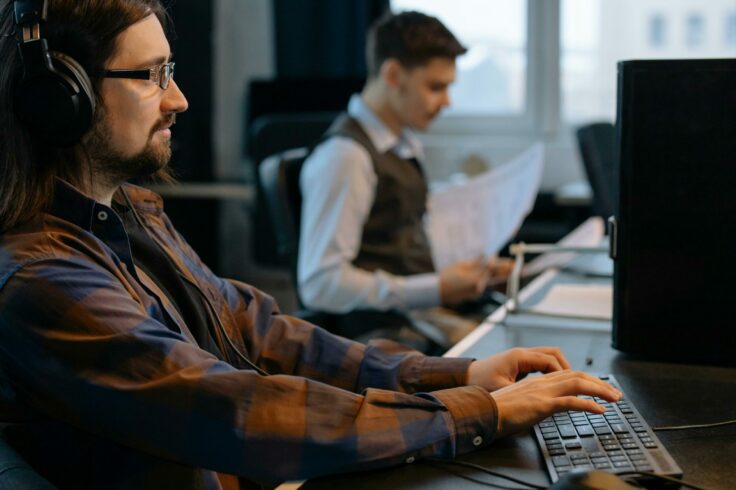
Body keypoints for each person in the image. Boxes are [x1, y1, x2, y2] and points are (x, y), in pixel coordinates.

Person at [0, 1, 621, 489]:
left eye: (172, 70)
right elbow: (233, 409)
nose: (178, 99)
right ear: (61, 100)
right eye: (151, 75)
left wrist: (460, 373)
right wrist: (476, 412)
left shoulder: (130, 213)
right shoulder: (43, 279)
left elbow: (259, 331)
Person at [298, 11, 513, 329]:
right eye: (435, 87)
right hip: (383, 336)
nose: (447, 102)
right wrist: (436, 288)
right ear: (394, 75)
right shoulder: (347, 157)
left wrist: (468, 275)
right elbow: (320, 284)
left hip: (419, 318)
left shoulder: (404, 145)